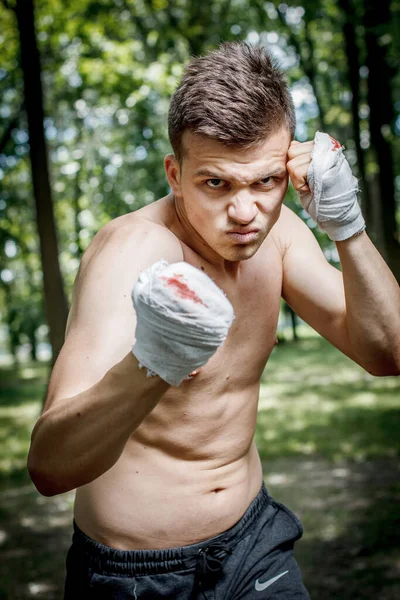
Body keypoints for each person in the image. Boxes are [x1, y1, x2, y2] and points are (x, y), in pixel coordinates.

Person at [27, 42, 400, 599]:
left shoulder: (280, 237)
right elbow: (50, 468)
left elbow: (388, 353)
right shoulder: (132, 252)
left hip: (253, 543)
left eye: (266, 182)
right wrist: (155, 360)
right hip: (136, 576)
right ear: (175, 174)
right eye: (216, 183)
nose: (246, 213)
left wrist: (347, 227)